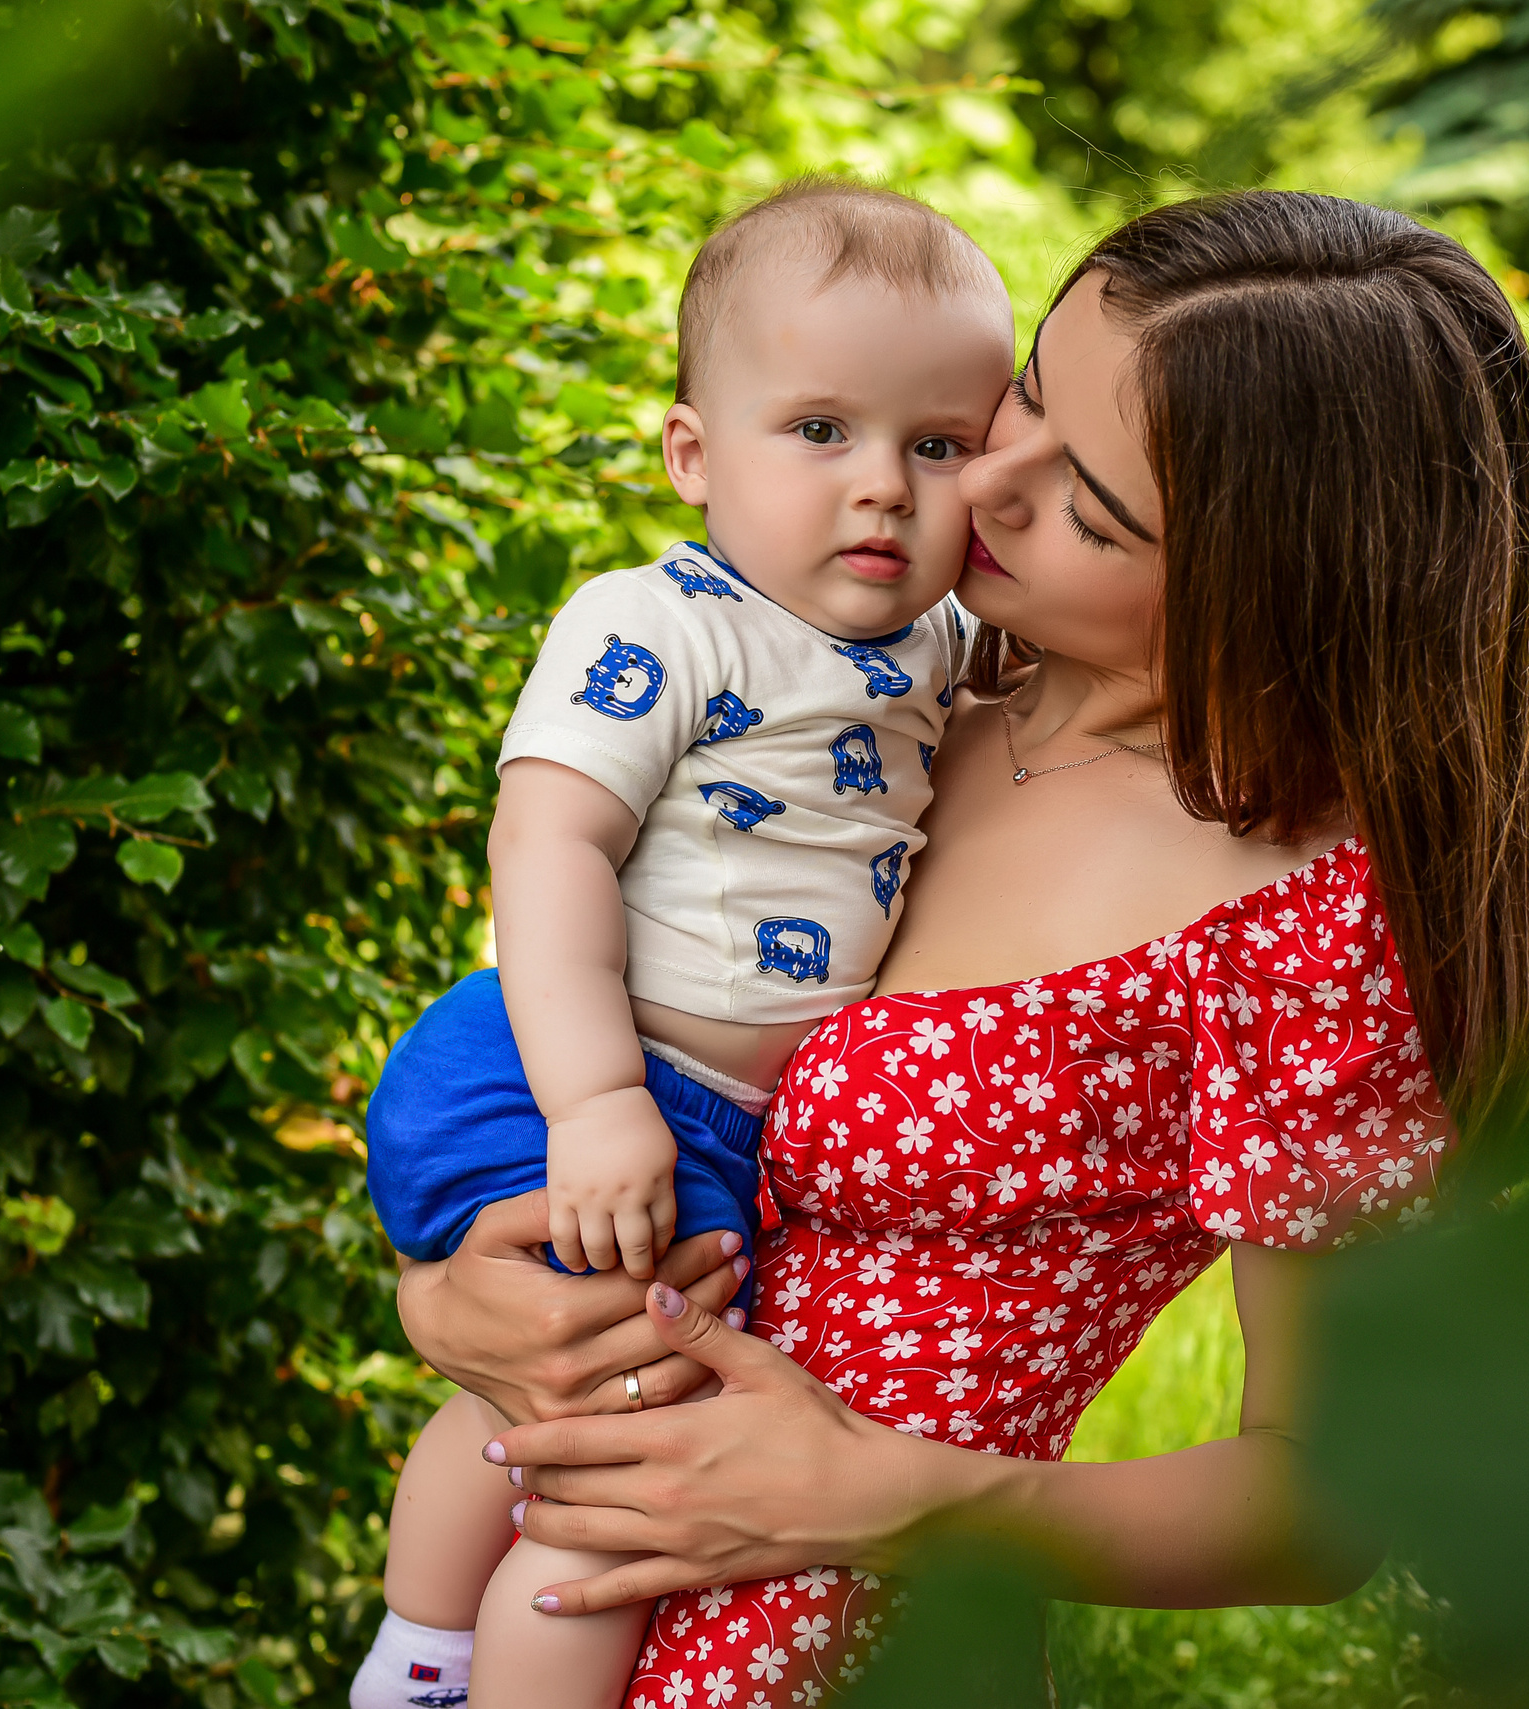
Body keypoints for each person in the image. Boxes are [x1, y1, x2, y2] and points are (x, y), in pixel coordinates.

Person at [392, 189, 1529, 1708]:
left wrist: (878, 1494)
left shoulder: (1302, 935)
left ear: (1274, 588)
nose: (979, 480)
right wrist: (458, 1300)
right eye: (1025, 387)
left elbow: (1326, 1501)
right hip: (552, 1582)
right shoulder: (881, 698)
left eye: (1089, 505)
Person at [345, 180, 1015, 1709]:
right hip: (562, 1063)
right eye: (821, 431)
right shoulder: (660, 623)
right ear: (692, 457)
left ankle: (432, 1645)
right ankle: (458, 1658)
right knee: (617, 1429)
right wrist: (595, 1104)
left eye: (939, 445)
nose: (884, 493)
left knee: (582, 1391)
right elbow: (548, 844)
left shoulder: (941, 644)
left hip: (709, 1115)